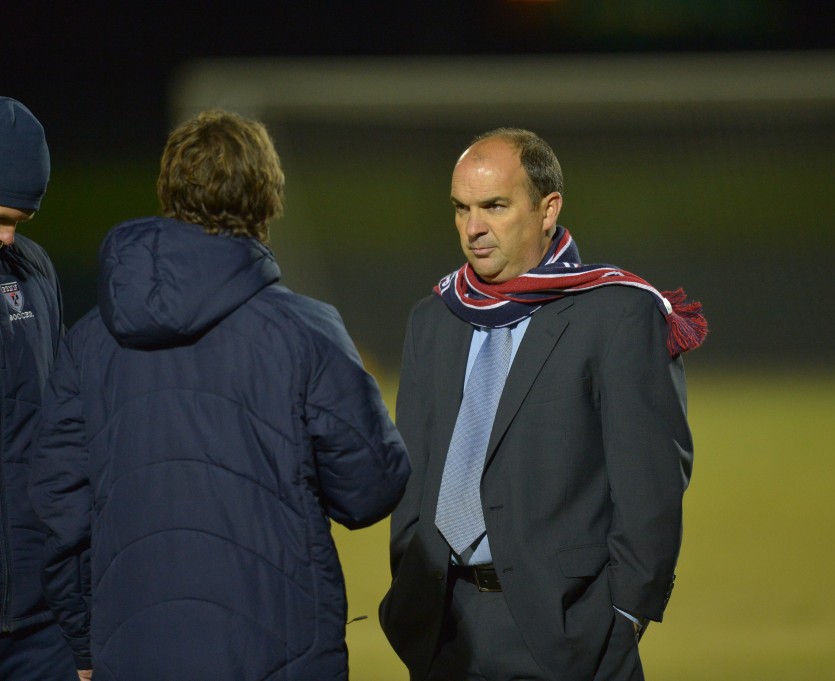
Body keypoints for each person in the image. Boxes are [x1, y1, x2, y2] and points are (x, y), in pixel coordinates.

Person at [30, 110, 411, 680]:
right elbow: (369, 490)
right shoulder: (307, 331)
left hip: (134, 654)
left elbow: (59, 511)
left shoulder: (88, 342)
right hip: (282, 656)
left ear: (168, 190)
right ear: (266, 199)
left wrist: (86, 647)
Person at [379, 128, 706, 681]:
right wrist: (411, 585)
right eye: (461, 209)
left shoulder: (616, 313)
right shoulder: (434, 317)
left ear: (547, 207)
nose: (473, 228)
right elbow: (415, 473)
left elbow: (651, 481)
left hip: (569, 632)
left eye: (494, 206)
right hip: (441, 627)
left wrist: (623, 615)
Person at [0, 97, 77, 680]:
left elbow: (63, 430)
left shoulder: (36, 271)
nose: (7, 237)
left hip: (40, 616)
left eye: (18, 222)